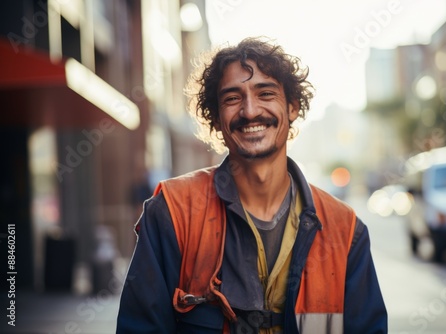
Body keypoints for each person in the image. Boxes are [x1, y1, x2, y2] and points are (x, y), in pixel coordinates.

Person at [116, 37, 387, 333]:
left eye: (266, 93)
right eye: (232, 98)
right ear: (217, 119)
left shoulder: (345, 230)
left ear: (293, 107)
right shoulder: (172, 213)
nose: (249, 111)